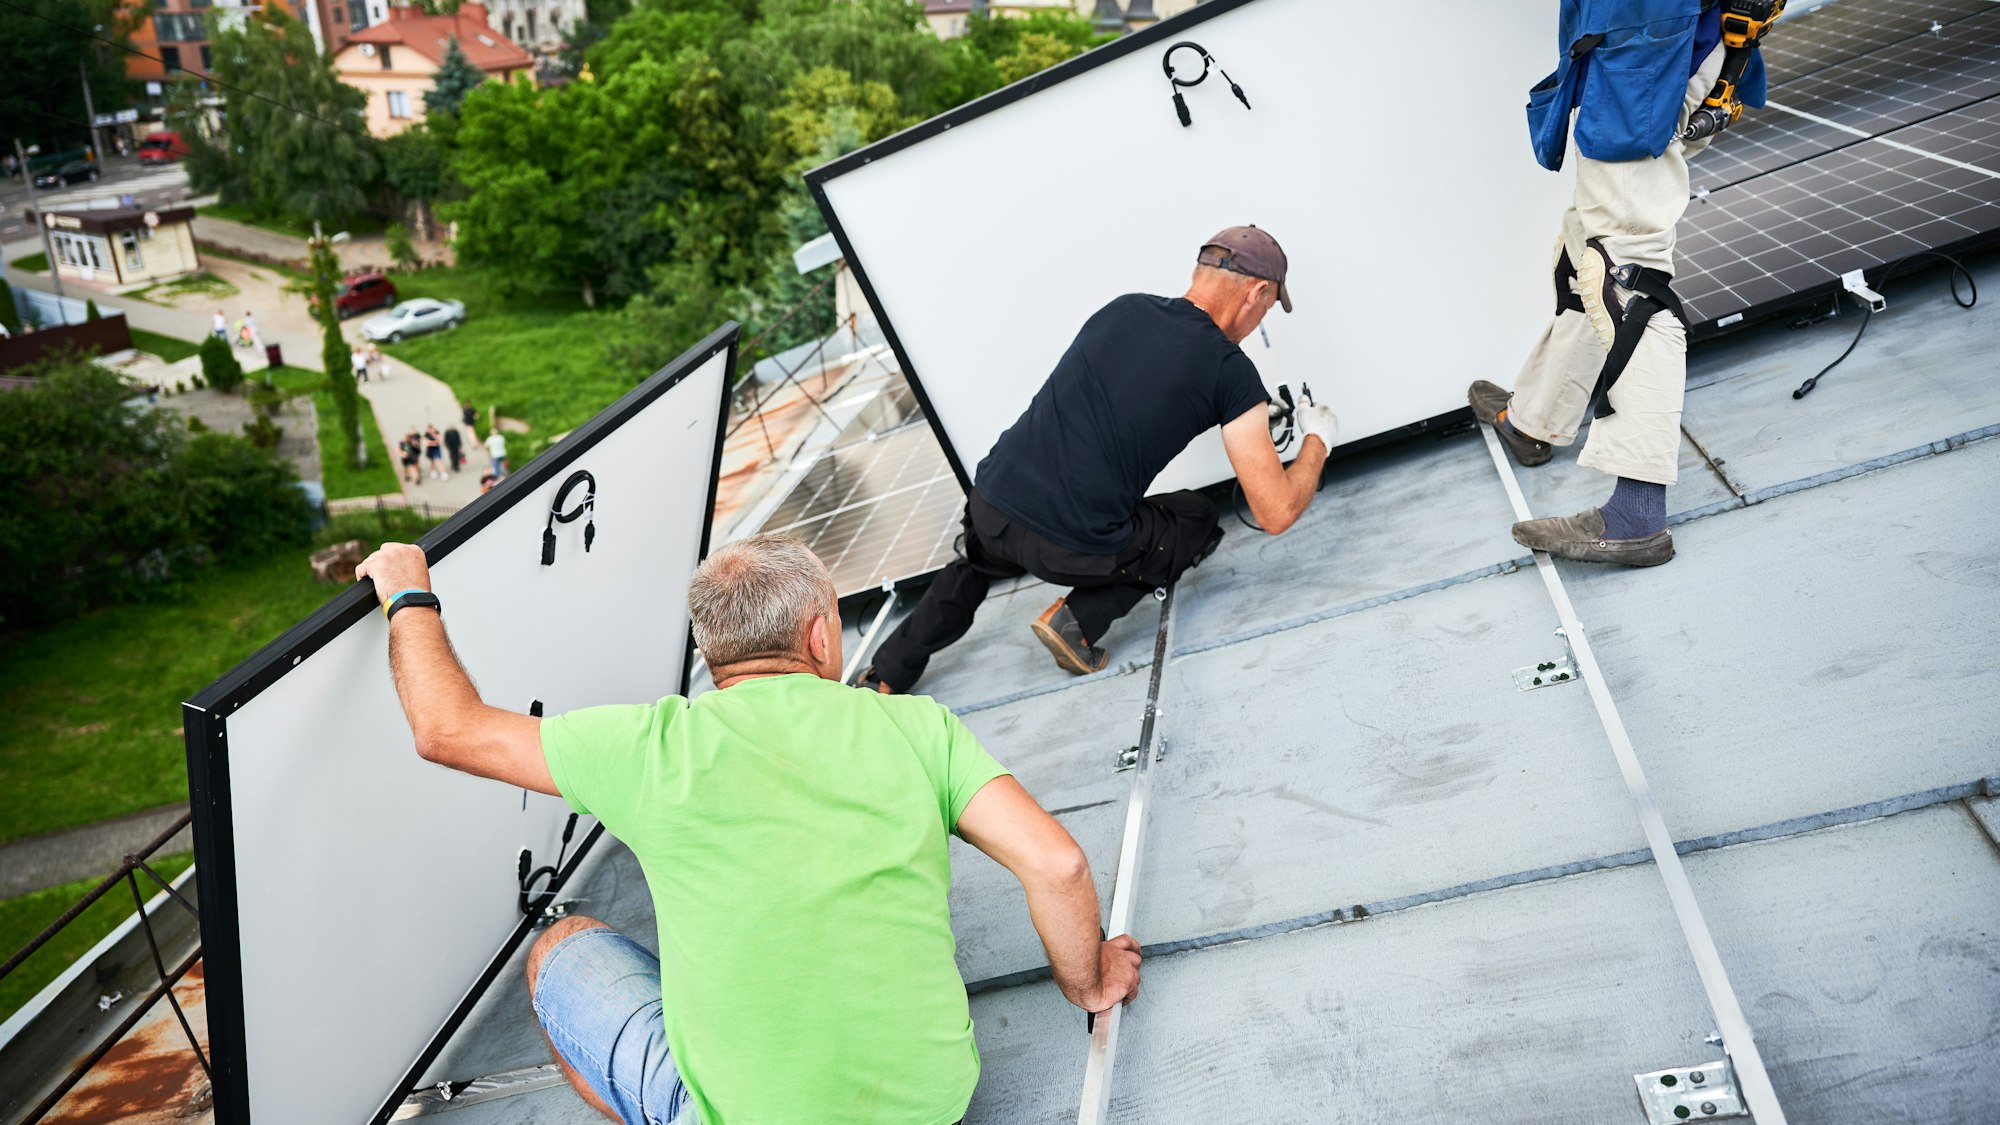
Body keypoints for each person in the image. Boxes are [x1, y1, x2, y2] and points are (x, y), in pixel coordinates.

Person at [352, 534, 1141, 1124]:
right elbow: (1057, 864)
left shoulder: (649, 746)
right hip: (932, 1106)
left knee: (558, 950)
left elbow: (445, 728)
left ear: (710, 652)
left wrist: (408, 592)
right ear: (820, 635)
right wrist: (1091, 980)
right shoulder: (916, 727)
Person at [862, 226, 1337, 694]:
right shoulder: (1229, 372)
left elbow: (1133, 389)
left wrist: (1246, 410)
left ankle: (884, 674)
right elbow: (1274, 512)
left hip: (993, 504)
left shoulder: (1124, 309)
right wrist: (1317, 437)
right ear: (1255, 293)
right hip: (1068, 544)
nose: (1259, 326)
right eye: (1268, 309)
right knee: (1194, 518)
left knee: (973, 566)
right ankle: (1074, 623)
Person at [1469, 0, 1776, 566]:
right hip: (1629, 44)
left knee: (1624, 271)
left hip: (1655, 48)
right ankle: (1534, 422)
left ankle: (1637, 514)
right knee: (1584, 251)